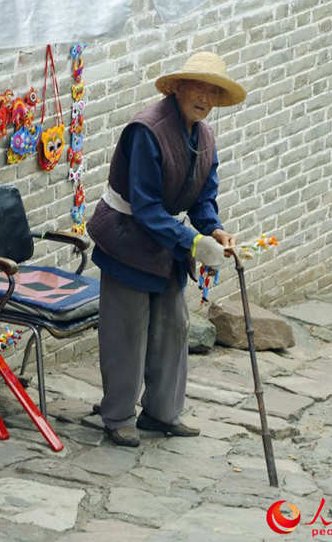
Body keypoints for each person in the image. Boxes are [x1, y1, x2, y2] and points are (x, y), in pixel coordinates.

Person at [86, 51, 246, 447]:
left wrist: (216, 230)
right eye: (198, 87)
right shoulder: (147, 130)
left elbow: (204, 198)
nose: (205, 98)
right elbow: (144, 206)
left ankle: (161, 413)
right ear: (177, 88)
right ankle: (118, 416)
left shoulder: (204, 136)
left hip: (165, 241)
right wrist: (193, 241)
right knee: (128, 333)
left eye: (213, 91)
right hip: (127, 237)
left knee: (173, 328)